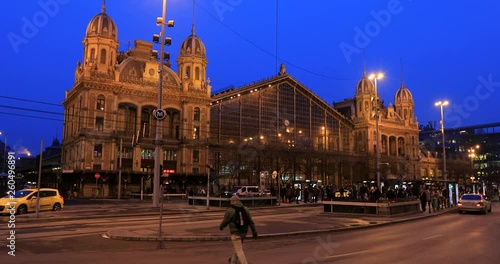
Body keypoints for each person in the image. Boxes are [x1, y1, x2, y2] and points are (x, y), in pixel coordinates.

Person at [220, 195, 258, 264]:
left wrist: (221, 227)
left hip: (235, 233)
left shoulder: (230, 210)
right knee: (237, 248)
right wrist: (254, 231)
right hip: (244, 232)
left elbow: (225, 221)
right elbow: (250, 221)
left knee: (239, 249)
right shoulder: (245, 209)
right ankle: (232, 262)